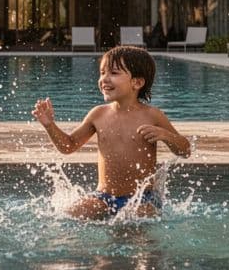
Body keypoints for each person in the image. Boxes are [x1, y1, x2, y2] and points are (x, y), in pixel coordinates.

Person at [32, 46, 191, 219]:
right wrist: (49, 125)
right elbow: (68, 146)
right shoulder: (98, 114)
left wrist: (165, 135)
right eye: (102, 73)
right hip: (104, 197)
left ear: (137, 83)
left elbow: (185, 150)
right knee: (70, 215)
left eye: (114, 73)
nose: (104, 79)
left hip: (142, 199)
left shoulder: (152, 115)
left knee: (138, 221)